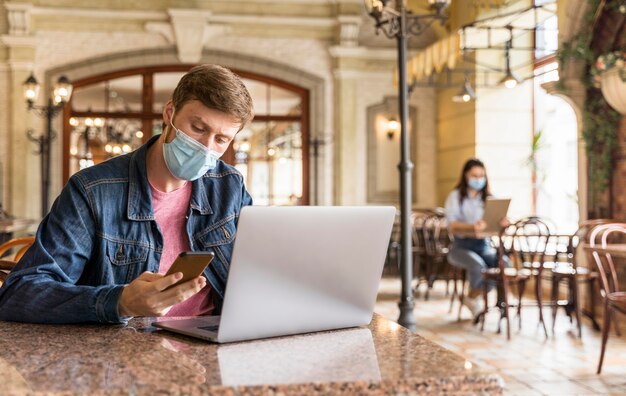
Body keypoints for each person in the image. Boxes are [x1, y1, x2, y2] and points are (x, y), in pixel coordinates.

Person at [0, 64, 254, 323]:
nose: (206, 147)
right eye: (198, 128)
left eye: (221, 139)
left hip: (214, 346)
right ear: (169, 112)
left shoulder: (229, 185)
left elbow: (257, 272)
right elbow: (20, 293)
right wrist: (120, 302)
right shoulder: (93, 191)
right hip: (129, 352)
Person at [444, 158, 508, 318]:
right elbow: (452, 225)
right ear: (466, 175)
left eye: (481, 175)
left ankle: (474, 296)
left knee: (503, 263)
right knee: (478, 266)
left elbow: (495, 225)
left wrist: (503, 224)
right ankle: (475, 298)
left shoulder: (489, 198)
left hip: (484, 245)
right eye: (475, 175)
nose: (478, 179)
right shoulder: (456, 196)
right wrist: (472, 227)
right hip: (460, 247)